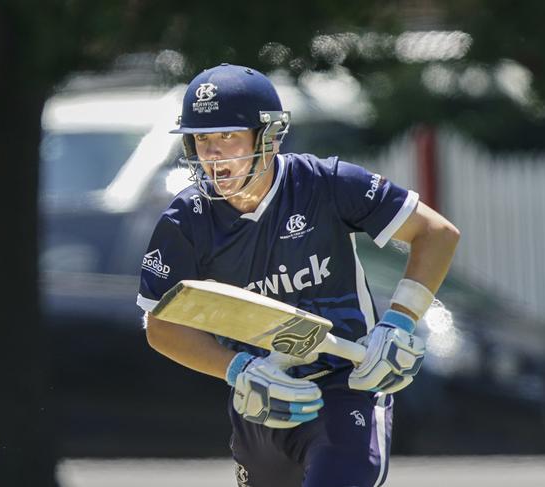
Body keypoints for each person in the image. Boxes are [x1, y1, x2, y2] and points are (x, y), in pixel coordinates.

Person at [137, 63, 460, 487]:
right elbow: (161, 326)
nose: (212, 154)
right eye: (202, 139)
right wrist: (237, 368)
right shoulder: (186, 218)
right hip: (260, 398)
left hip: (345, 388)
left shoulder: (325, 182)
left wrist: (399, 321)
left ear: (268, 137)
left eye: (228, 136)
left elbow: (436, 233)